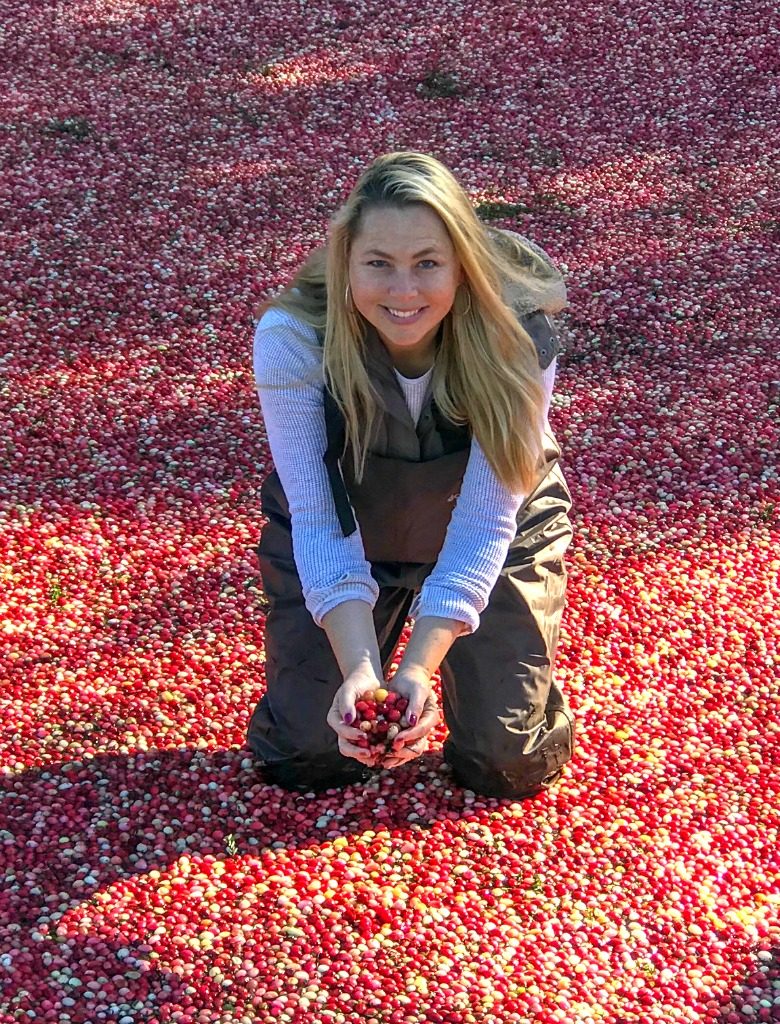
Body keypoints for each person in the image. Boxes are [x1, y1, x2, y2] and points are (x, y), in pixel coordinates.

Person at [246, 151, 575, 798]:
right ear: (345, 262)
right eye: (379, 264)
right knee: (308, 756)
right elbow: (317, 515)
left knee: (506, 761)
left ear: (463, 265)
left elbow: (487, 517)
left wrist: (418, 669)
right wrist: (362, 674)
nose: (404, 291)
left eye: (428, 263)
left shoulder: (516, 336)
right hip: (354, 528)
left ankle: (506, 673)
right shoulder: (294, 339)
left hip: (494, 530)